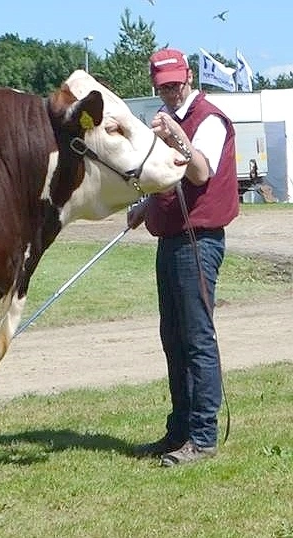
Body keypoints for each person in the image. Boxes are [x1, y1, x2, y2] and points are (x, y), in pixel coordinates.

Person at [127, 48, 239, 466]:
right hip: (170, 239)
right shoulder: (162, 115)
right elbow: (168, 180)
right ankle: (179, 431)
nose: (171, 91)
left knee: (196, 340)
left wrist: (176, 135)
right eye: (163, 85)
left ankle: (203, 437)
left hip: (199, 242)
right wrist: (147, 206)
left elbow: (200, 173)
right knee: (173, 338)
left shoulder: (207, 118)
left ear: (189, 77)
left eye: (176, 83)